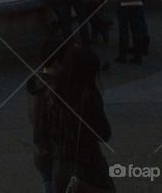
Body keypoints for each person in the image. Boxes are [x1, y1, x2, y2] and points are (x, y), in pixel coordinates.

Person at [48, 46, 114, 192]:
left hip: (60, 162)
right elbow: (103, 134)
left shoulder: (53, 93)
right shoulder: (88, 96)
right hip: (86, 163)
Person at [27, 40, 66, 193]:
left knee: (48, 183)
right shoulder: (53, 90)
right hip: (54, 153)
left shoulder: (37, 84)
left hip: (42, 151)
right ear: (57, 62)